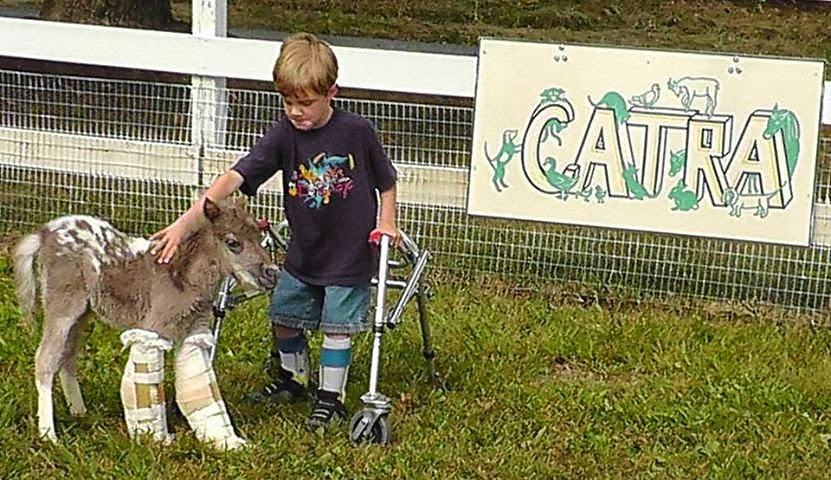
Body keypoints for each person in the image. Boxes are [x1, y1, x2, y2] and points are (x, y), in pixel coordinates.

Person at [151, 32, 399, 432]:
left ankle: (330, 398)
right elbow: (236, 175)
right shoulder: (284, 134)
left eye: (305, 103)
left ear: (331, 92)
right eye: (288, 102)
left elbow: (386, 181)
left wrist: (386, 222)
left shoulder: (357, 132)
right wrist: (185, 223)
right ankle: (293, 378)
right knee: (285, 315)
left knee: (337, 327)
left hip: (350, 254)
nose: (296, 112)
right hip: (303, 253)